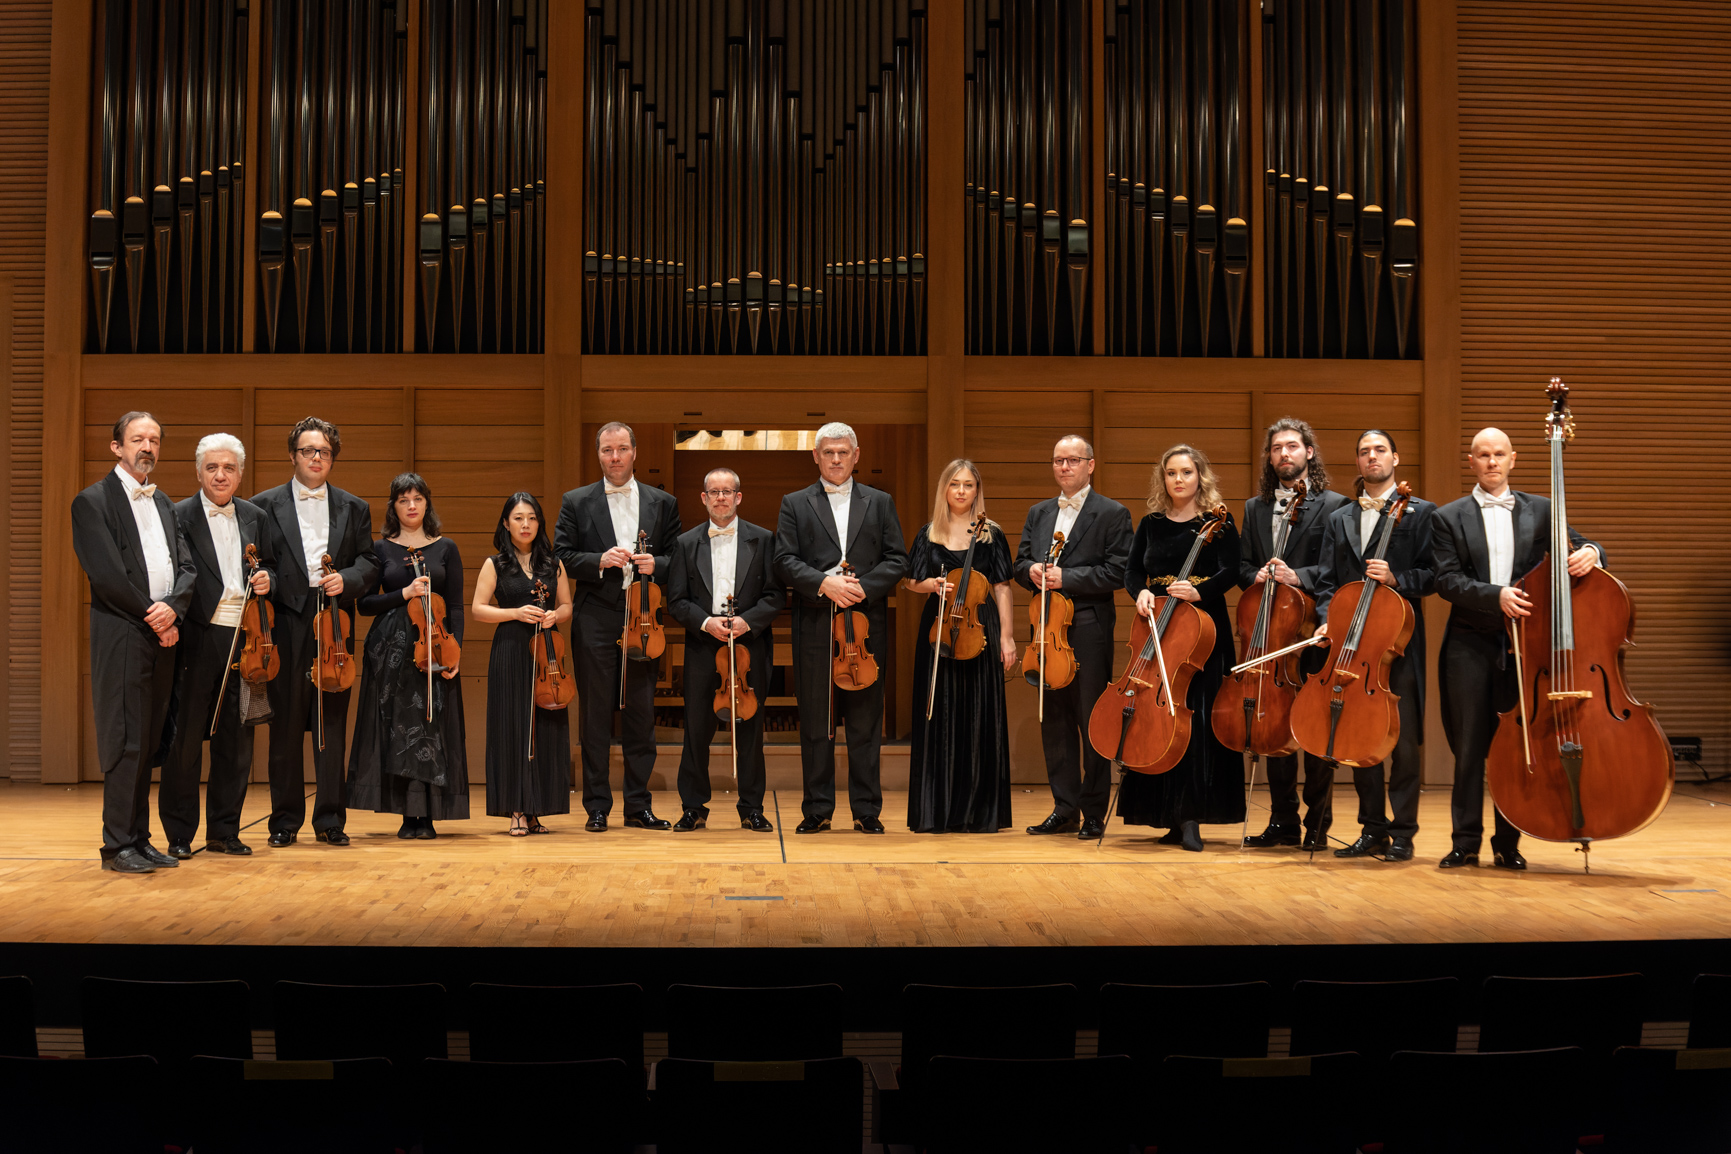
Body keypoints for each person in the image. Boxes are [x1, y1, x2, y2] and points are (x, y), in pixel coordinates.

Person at [1432, 427, 1602, 872]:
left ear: (1513, 460)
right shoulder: (1448, 517)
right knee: (1469, 747)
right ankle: (1465, 843)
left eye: (1499, 454)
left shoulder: (1543, 510)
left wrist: (1593, 551)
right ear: (1471, 462)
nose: (1491, 462)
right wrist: (1496, 596)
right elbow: (1446, 581)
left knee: (1516, 746)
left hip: (1525, 648)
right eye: (1483, 455)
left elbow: (1581, 543)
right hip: (1469, 644)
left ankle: (1507, 843)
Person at [71, 412, 197, 873]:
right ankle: (117, 845)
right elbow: (108, 577)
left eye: (154, 440)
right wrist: (156, 616)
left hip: (162, 633)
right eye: (138, 439)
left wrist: (174, 609)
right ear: (116, 447)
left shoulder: (162, 501)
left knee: (149, 740)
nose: (147, 447)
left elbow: (186, 567)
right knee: (125, 739)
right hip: (125, 632)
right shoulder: (92, 502)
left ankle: (140, 840)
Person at [773, 422, 908, 834]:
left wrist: (861, 588)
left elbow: (897, 559)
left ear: (856, 455)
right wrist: (824, 583)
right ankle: (817, 809)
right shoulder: (794, 503)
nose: (835, 459)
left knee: (865, 721)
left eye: (843, 452)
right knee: (817, 721)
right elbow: (783, 560)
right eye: (828, 453)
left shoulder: (880, 502)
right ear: (816, 457)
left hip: (866, 626)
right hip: (815, 624)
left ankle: (866, 810)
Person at [252, 417, 379, 847]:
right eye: (308, 450)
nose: (316, 458)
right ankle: (284, 821)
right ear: (293, 455)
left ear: (332, 458)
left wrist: (348, 578)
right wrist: (266, 578)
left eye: (324, 451)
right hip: (286, 619)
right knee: (285, 725)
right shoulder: (263, 506)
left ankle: (330, 820)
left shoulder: (354, 507)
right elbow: (260, 562)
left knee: (332, 724)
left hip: (334, 621)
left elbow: (369, 562)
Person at [1313, 431, 1435, 863]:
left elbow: (1434, 574)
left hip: (1398, 642)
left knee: (1402, 741)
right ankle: (1372, 829)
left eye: (1380, 450)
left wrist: (1399, 578)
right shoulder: (1339, 517)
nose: (1372, 457)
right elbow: (1327, 579)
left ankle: (1403, 833)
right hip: (1352, 644)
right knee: (1359, 738)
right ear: (1358, 462)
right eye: (1364, 452)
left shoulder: (1421, 512)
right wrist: (1328, 617)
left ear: (1395, 458)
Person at [553, 421, 680, 832]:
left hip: (645, 617)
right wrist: (598, 560)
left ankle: (638, 806)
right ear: (599, 455)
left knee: (641, 713)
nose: (615, 457)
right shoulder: (576, 501)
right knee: (595, 715)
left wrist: (656, 564)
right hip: (596, 616)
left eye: (622, 449)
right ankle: (596, 806)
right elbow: (560, 556)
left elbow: (679, 559)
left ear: (634, 452)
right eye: (607, 450)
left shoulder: (664, 502)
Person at [1118, 445, 1243, 851]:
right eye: (1171, 473)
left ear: (1199, 476)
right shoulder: (1151, 523)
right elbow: (1132, 570)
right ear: (1163, 478)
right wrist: (1140, 593)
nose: (1178, 479)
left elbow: (1232, 571)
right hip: (1159, 624)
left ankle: (1191, 815)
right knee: (1157, 715)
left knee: (1197, 718)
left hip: (1202, 628)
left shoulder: (1218, 522)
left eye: (1186, 472)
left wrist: (1200, 591)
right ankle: (1164, 813)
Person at [159, 434, 277, 858]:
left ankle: (224, 831)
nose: (220, 475)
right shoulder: (177, 515)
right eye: (212, 468)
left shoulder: (255, 516)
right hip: (197, 636)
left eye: (228, 468)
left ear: (240, 473)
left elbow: (272, 566)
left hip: (246, 638)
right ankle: (179, 835)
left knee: (236, 740)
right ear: (198, 472)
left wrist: (268, 579)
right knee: (186, 740)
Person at [1238, 417, 1350, 851]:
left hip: (1314, 629)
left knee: (1317, 728)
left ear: (1309, 453)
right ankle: (1282, 821)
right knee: (1275, 727)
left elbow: (1339, 568)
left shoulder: (1336, 505)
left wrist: (1297, 575)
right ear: (1270, 458)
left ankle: (1317, 825)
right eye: (1276, 448)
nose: (1284, 453)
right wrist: (1257, 574)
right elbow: (1241, 565)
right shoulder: (1254, 508)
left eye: (1292, 446)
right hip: (1271, 634)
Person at [1014, 435, 1133, 840]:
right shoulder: (1039, 512)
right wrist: (1030, 570)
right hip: (1046, 629)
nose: (1064, 467)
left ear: (1090, 465)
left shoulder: (1112, 513)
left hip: (1087, 627)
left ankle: (1093, 811)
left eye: (1073, 460)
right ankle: (1064, 809)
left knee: (1090, 718)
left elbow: (1118, 572)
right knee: (1055, 719)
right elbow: (1019, 562)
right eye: (1058, 461)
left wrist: (1067, 577)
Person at [348, 473, 469, 838]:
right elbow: (364, 604)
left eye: (417, 499)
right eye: (403, 500)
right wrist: (404, 594)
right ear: (394, 507)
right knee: (399, 728)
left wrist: (456, 649)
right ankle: (406, 814)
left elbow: (456, 606)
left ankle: (427, 814)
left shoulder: (446, 547)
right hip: (391, 651)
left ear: (427, 503)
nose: (411, 506)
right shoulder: (380, 549)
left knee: (431, 726)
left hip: (435, 646)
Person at [666, 468, 785, 832]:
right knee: (696, 729)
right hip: (704, 645)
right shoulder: (686, 543)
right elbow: (676, 601)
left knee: (750, 729)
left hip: (749, 645)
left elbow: (775, 596)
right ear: (704, 498)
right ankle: (693, 807)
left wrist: (747, 621)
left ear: (738, 497)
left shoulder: (764, 539)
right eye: (714, 492)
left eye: (727, 491)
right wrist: (706, 622)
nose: (721, 497)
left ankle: (751, 807)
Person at [904, 459, 1017, 833]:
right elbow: (910, 581)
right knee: (937, 712)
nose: (961, 491)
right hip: (939, 628)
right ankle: (936, 810)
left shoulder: (991, 534)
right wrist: (930, 586)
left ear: (977, 490)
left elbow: (1002, 587)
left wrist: (1007, 637)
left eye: (969, 485)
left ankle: (978, 812)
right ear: (945, 489)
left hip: (980, 627)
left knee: (979, 712)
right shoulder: (928, 534)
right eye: (955, 484)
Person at [472, 492, 574, 836]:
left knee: (545, 728)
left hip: (547, 653)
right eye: (518, 518)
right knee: (512, 727)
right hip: (511, 650)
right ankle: (515, 808)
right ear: (506, 523)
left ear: (539, 523)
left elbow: (566, 606)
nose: (525, 524)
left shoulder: (553, 563)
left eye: (531, 517)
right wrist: (514, 613)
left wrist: (555, 615)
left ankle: (536, 809)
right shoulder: (495, 564)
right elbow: (478, 609)